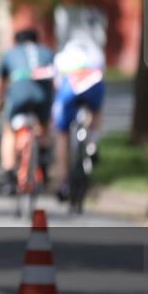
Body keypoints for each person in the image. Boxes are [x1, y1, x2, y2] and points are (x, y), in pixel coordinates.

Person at [0, 28, 55, 196]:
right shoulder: (47, 52)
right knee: (44, 127)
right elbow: (55, 80)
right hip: (43, 96)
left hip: (19, 95)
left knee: (9, 131)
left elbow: (1, 83)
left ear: (16, 41)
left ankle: (10, 179)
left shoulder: (10, 53)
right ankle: (44, 165)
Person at [51, 32, 105, 201]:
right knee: (96, 112)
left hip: (70, 87)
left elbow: (57, 84)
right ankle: (92, 143)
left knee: (62, 133)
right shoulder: (96, 53)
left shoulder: (61, 57)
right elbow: (102, 76)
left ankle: (64, 182)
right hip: (93, 83)